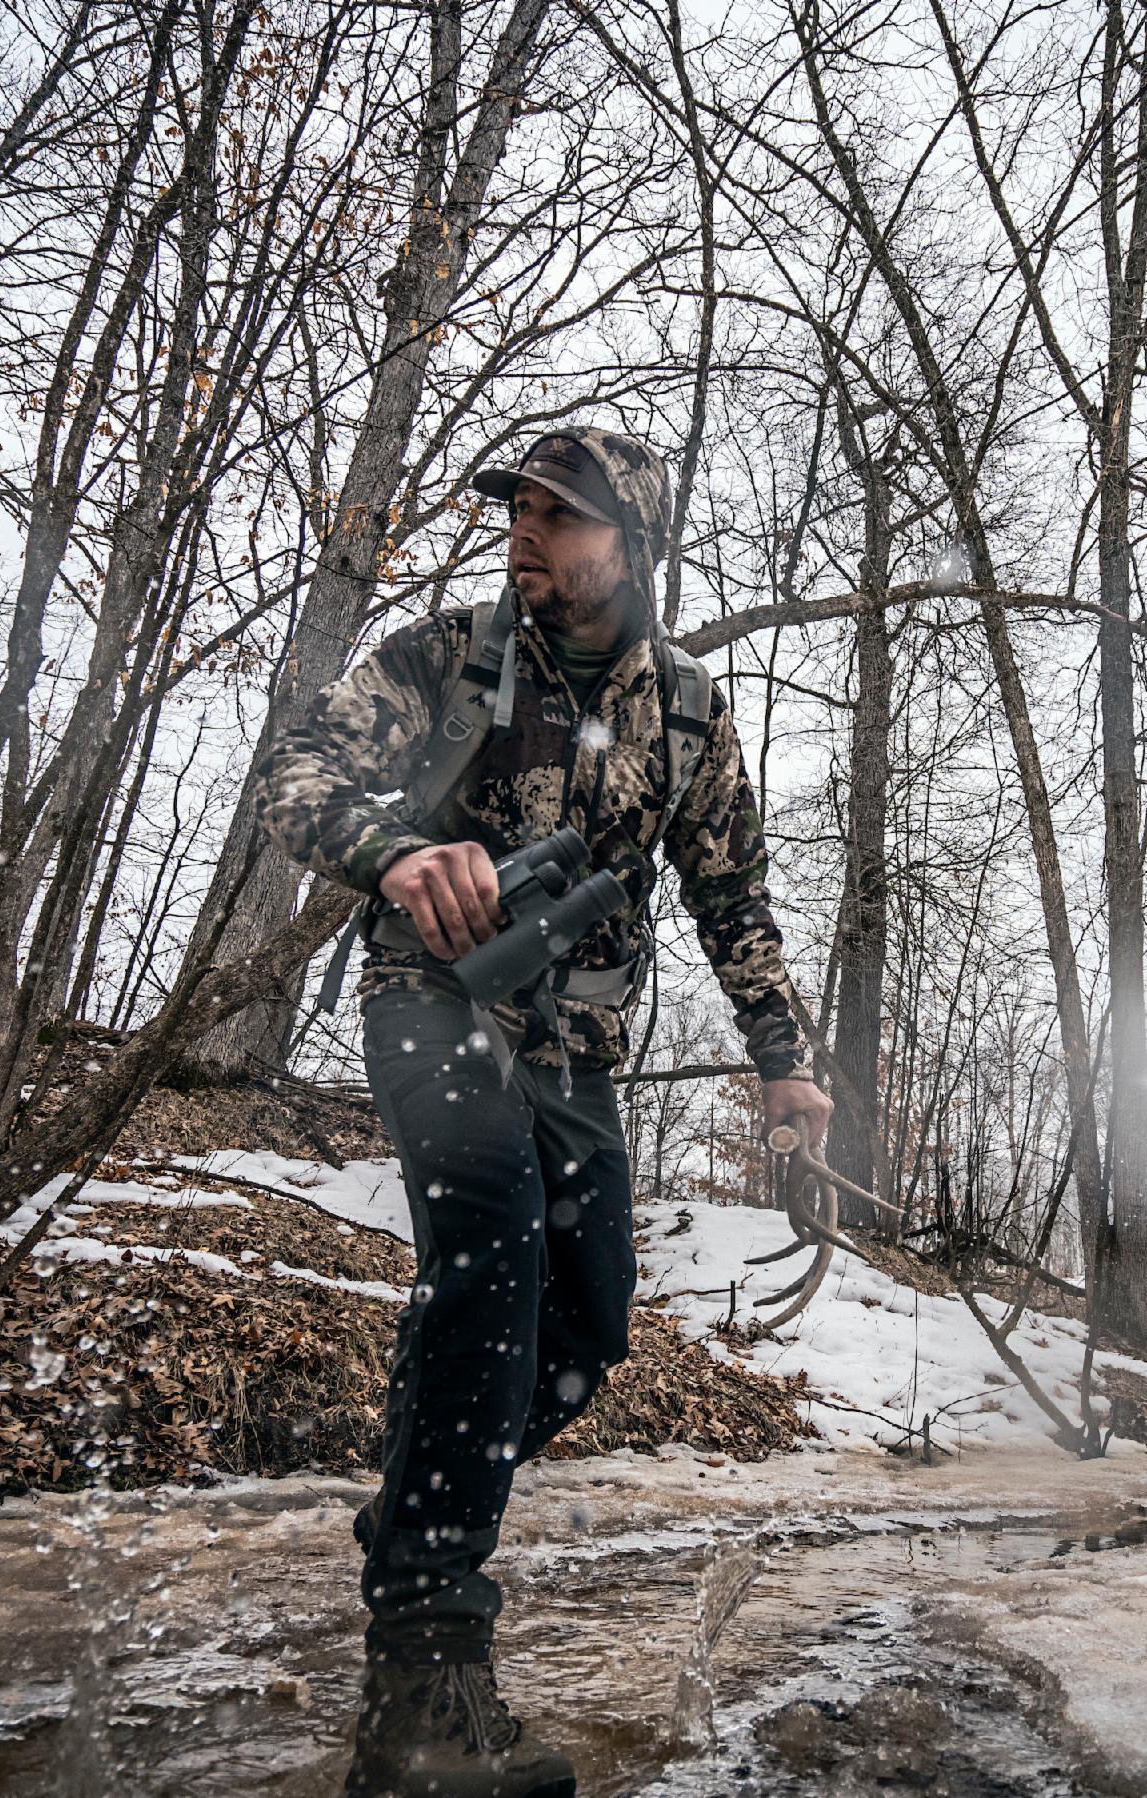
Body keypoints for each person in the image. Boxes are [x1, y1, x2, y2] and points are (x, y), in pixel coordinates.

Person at [255, 426, 832, 1798]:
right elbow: (295, 769)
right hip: (433, 995)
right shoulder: (447, 655)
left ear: (631, 545)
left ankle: (420, 1497)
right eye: (518, 505)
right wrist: (397, 852)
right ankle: (425, 1683)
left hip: (578, 1045)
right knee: (492, 1242)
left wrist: (783, 1058)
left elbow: (733, 894)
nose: (526, 529)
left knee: (589, 1319)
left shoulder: (688, 711)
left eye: (560, 514)